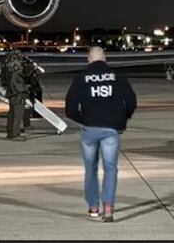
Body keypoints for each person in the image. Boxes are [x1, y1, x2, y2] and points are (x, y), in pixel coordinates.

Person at [65, 46, 137, 223]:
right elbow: (132, 102)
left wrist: (85, 119)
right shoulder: (117, 78)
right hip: (111, 130)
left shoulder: (80, 79)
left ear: (88, 60)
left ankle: (93, 207)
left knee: (91, 168)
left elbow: (70, 109)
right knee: (110, 168)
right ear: (105, 58)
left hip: (90, 130)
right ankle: (108, 207)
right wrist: (121, 119)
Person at [1, 50, 30, 140]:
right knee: (18, 115)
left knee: (11, 114)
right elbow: (16, 82)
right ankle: (15, 134)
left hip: (11, 93)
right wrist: (26, 88)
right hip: (17, 94)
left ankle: (10, 133)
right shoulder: (16, 67)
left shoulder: (6, 66)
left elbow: (4, 80)